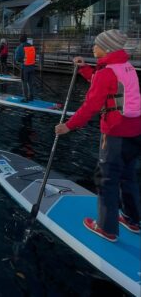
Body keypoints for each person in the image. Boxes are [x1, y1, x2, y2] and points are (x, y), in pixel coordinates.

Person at [55, 30, 141, 242]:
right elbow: (105, 85)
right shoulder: (126, 67)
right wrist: (84, 67)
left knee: (107, 179)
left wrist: (68, 126)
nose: (93, 47)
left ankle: (106, 228)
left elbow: (91, 105)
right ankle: (132, 219)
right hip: (135, 131)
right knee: (128, 176)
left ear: (108, 48)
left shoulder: (107, 72)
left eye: (97, 44)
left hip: (115, 133)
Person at [15, 34, 36, 102]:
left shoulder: (20, 47)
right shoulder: (32, 47)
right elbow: (34, 57)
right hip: (32, 67)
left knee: (24, 83)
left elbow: (17, 59)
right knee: (30, 83)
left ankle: (25, 98)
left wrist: (21, 61)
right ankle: (31, 97)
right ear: (26, 40)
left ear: (20, 40)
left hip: (25, 68)